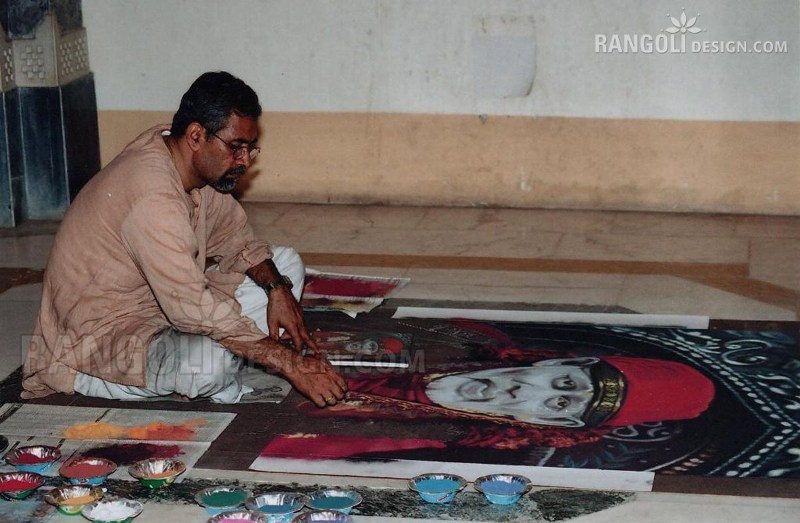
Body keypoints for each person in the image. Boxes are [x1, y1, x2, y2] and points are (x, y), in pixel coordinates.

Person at [22, 71, 346, 406]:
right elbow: (191, 308)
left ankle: (220, 355)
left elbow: (239, 241)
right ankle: (82, 374)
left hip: (164, 310)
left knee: (284, 264)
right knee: (210, 364)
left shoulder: (191, 166)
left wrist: (276, 289)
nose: (245, 161)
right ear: (195, 136)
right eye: (236, 147)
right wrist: (290, 363)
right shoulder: (152, 195)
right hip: (100, 337)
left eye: (250, 149)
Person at [328, 355, 716, 428]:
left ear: (555, 421)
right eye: (563, 383)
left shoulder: (412, 444)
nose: (523, 389)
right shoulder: (462, 339)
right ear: (558, 365)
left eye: (560, 402)